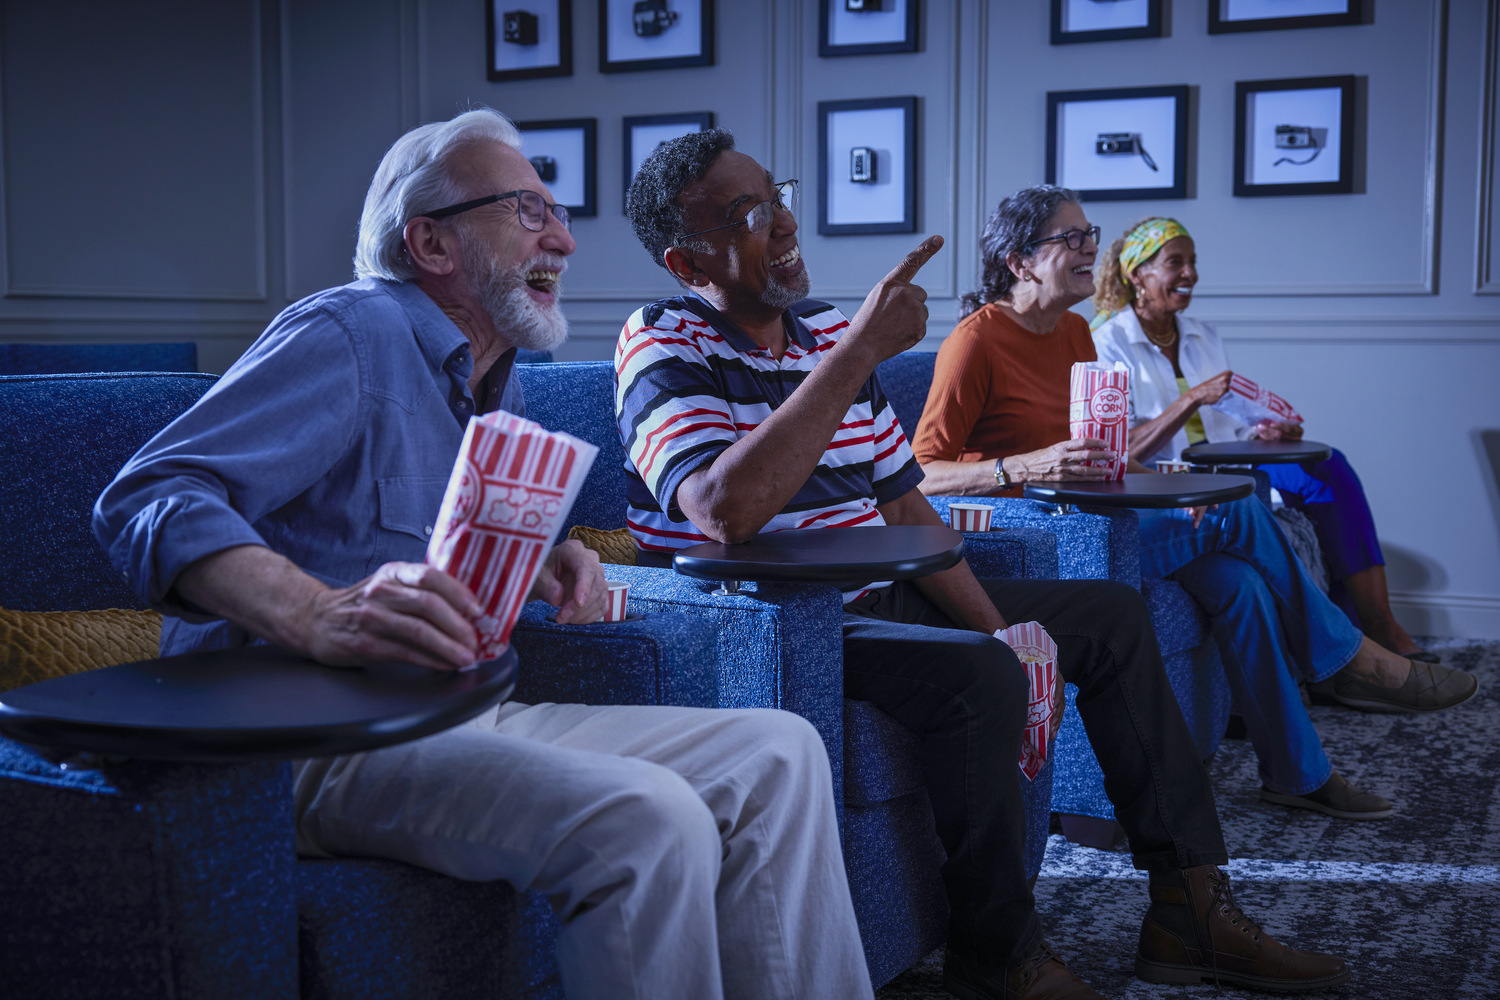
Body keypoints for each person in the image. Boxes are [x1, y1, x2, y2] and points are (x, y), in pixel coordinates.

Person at [92, 108, 876, 1000]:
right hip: (307, 742)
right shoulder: (351, 331)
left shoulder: (490, 380)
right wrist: (317, 612)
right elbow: (147, 497)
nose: (565, 241)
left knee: (779, 751)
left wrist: (545, 560)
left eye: (558, 214)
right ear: (431, 242)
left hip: (458, 717)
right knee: (652, 819)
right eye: (527, 211)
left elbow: (405, 536)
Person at [619, 128, 1352, 999]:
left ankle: (1190, 908)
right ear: (686, 261)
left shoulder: (822, 333)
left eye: (776, 196)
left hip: (880, 593)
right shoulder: (663, 341)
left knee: (1110, 616)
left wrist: (1005, 629)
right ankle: (996, 955)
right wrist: (860, 352)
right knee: (981, 677)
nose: (782, 223)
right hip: (779, 623)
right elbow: (722, 510)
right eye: (747, 213)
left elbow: (904, 503)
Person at [911, 185, 1478, 826]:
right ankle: (1350, 660)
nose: (1090, 247)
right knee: (1239, 510)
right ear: (1019, 262)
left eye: (1090, 233)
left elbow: (1102, 456)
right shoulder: (976, 341)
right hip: (1039, 542)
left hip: (1098, 523)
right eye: (1071, 238)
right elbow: (919, 475)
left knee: (1239, 581)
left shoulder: (1073, 333)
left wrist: (1171, 487)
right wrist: (1023, 466)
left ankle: (1299, 774)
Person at [1090, 216, 1436, 666]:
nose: (1191, 273)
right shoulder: (1106, 343)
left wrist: (1263, 432)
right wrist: (1191, 399)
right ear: (1138, 273)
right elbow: (1117, 451)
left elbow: (1228, 426)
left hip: (1228, 464)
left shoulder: (1203, 335)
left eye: (1193, 262)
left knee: (1328, 467)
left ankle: (1379, 627)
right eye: (1175, 262)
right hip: (1167, 479)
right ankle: (1355, 647)